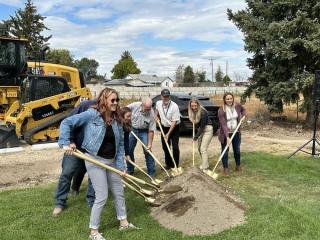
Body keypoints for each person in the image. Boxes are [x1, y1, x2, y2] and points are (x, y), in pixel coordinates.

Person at [58, 87, 137, 240]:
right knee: (101, 195)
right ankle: (93, 232)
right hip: (94, 160)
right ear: (104, 100)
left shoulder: (117, 120)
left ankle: (124, 223)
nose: (115, 103)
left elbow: (120, 146)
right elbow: (66, 122)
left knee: (119, 192)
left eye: (117, 100)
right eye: (112, 100)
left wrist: (121, 167)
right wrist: (66, 142)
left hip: (111, 161)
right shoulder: (92, 115)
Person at [53, 99, 96, 217]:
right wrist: (70, 141)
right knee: (67, 172)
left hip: (93, 150)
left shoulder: (107, 109)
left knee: (94, 175)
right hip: (75, 147)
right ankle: (60, 203)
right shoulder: (85, 106)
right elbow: (68, 122)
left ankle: (92, 202)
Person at [218, 92, 246, 176]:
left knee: (237, 150)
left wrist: (244, 115)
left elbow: (243, 110)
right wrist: (227, 137)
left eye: (231, 98)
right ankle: (225, 169)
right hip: (225, 133)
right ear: (224, 100)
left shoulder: (237, 105)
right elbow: (223, 125)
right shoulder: (221, 110)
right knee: (225, 151)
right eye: (227, 99)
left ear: (233, 98)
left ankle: (238, 166)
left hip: (236, 132)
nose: (229, 100)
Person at [126, 98, 156, 176]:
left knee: (147, 151)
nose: (148, 110)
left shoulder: (152, 113)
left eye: (149, 108)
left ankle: (151, 172)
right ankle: (130, 169)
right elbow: (124, 111)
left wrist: (149, 144)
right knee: (128, 150)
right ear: (142, 105)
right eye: (146, 108)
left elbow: (151, 130)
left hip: (144, 131)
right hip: (132, 129)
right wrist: (126, 121)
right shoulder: (134, 106)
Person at [155, 89, 181, 169]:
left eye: (167, 96)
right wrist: (157, 116)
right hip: (164, 127)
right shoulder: (158, 103)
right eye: (164, 96)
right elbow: (157, 110)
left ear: (169, 96)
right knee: (165, 146)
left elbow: (174, 122)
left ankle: (175, 165)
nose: (166, 98)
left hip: (174, 128)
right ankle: (169, 164)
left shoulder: (174, 106)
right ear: (161, 96)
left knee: (175, 147)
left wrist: (168, 134)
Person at [188, 97, 213, 170]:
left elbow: (202, 127)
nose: (194, 107)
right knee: (199, 149)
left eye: (195, 106)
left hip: (208, 129)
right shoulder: (192, 112)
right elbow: (198, 126)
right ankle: (206, 164)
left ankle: (204, 167)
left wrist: (195, 137)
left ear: (198, 105)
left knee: (203, 148)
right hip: (201, 130)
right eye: (192, 106)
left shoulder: (203, 112)